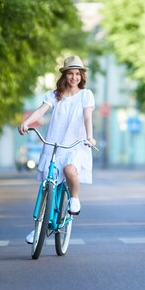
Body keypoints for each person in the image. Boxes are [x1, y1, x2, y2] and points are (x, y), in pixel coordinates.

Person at [18, 56, 97, 244]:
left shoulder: (86, 95)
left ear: (82, 76)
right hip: (54, 144)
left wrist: (90, 136)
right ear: (64, 75)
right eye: (71, 73)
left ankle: (74, 199)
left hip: (75, 145)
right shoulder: (54, 95)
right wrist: (27, 122)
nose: (74, 77)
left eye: (78, 74)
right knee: (47, 184)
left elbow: (87, 117)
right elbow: (41, 110)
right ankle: (38, 229)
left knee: (70, 170)